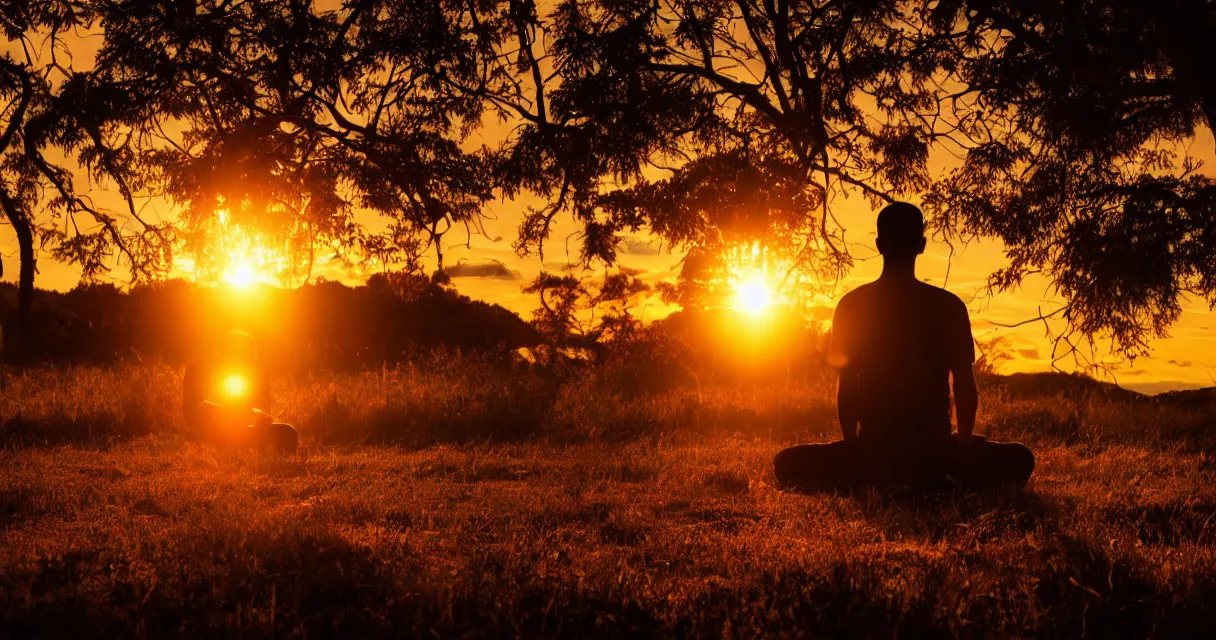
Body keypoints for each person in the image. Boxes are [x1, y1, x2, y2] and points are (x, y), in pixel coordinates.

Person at [773, 202, 1034, 491]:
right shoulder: (948, 306)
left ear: (879, 244)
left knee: (786, 463)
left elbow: (846, 386)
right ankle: (937, 479)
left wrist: (852, 449)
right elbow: (963, 382)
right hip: (932, 449)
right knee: (1020, 459)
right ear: (921, 245)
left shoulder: (852, 305)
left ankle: (879, 477)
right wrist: (962, 446)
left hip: (877, 448)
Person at [183, 330, 298, 454]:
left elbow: (263, 408)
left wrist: (256, 414)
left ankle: (256, 443)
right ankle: (237, 441)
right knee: (207, 411)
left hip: (247, 424)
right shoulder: (208, 369)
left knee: (287, 431)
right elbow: (201, 408)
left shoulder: (260, 372)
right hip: (223, 421)